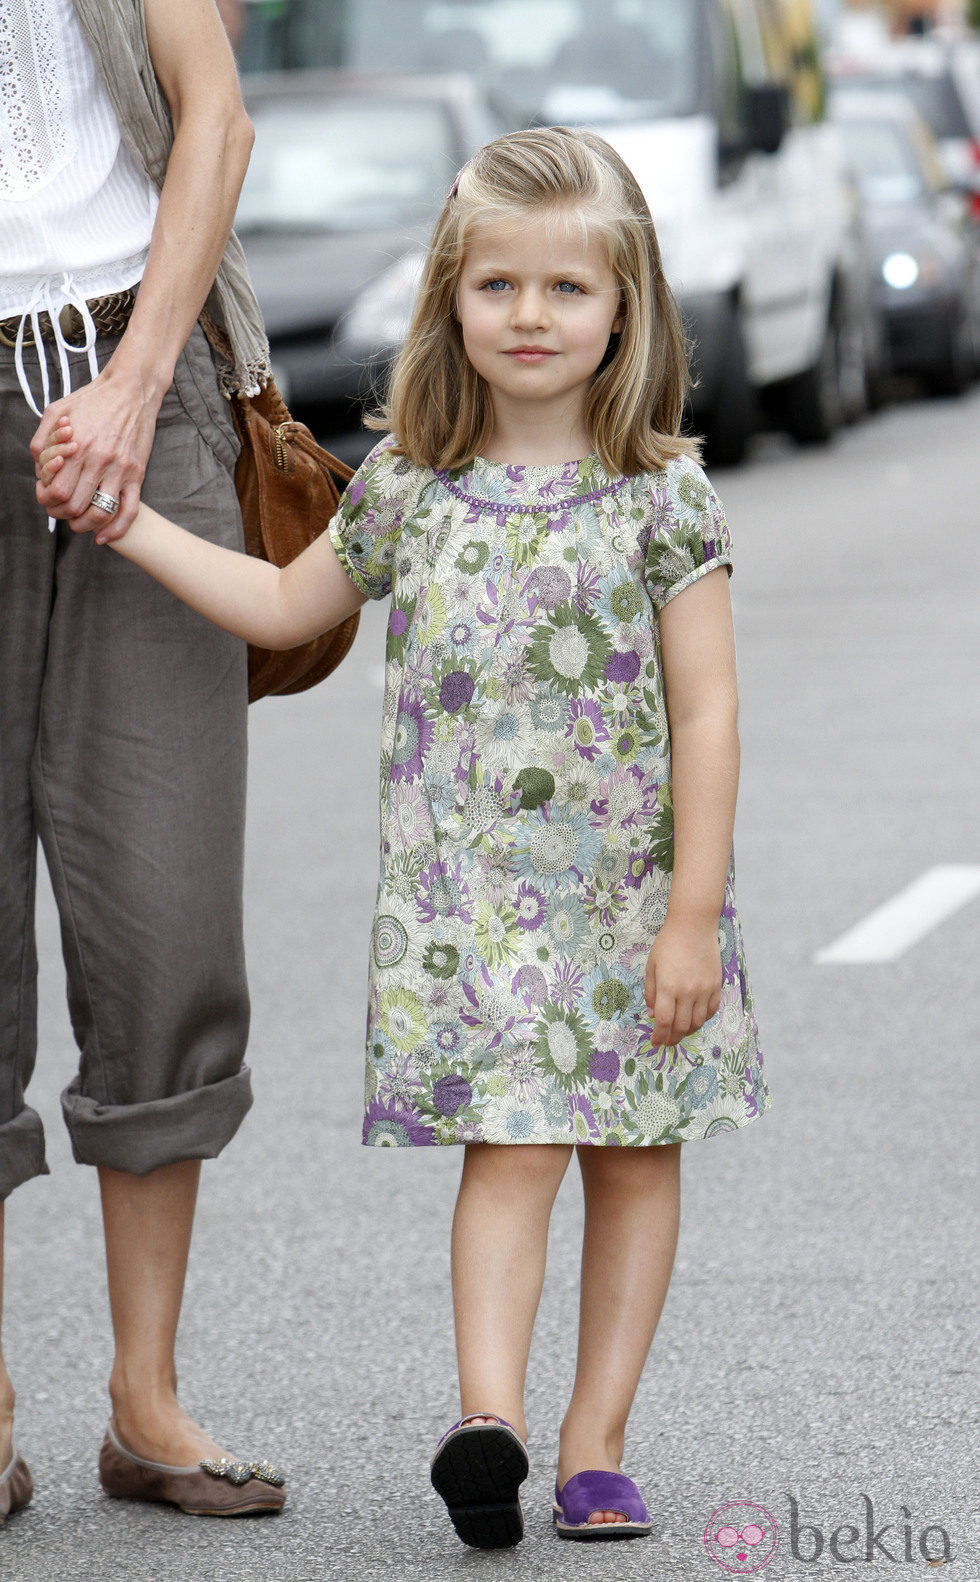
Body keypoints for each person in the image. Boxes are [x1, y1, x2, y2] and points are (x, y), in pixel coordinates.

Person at [39, 126, 770, 1546]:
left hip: (633, 905)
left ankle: (595, 1439)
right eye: (499, 287)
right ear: (450, 302)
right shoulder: (409, 488)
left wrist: (694, 913)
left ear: (627, 304)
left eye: (568, 289)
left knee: (632, 1157)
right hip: (479, 917)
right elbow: (279, 608)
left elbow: (713, 714)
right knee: (507, 1151)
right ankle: (485, 1420)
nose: (533, 317)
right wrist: (125, 520)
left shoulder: (662, 495)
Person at [2, 0, 286, 1523]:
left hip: (138, 377)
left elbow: (214, 117)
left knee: (167, 904)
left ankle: (146, 1395)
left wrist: (132, 380)